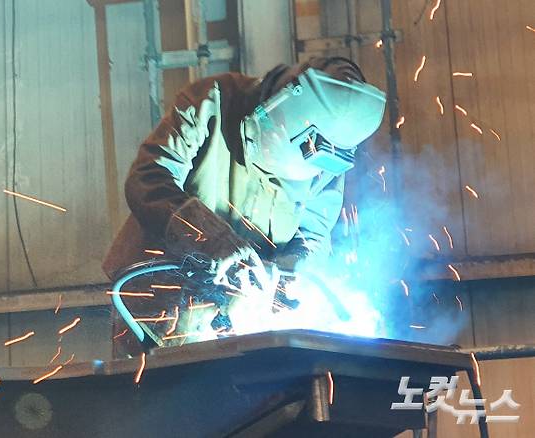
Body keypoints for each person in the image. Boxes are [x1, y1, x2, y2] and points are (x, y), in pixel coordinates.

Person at [103, 56, 386, 355]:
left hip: (244, 319)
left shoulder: (329, 155)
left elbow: (314, 232)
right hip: (160, 310)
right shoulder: (213, 100)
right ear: (278, 107)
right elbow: (147, 178)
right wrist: (213, 239)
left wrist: (293, 269)